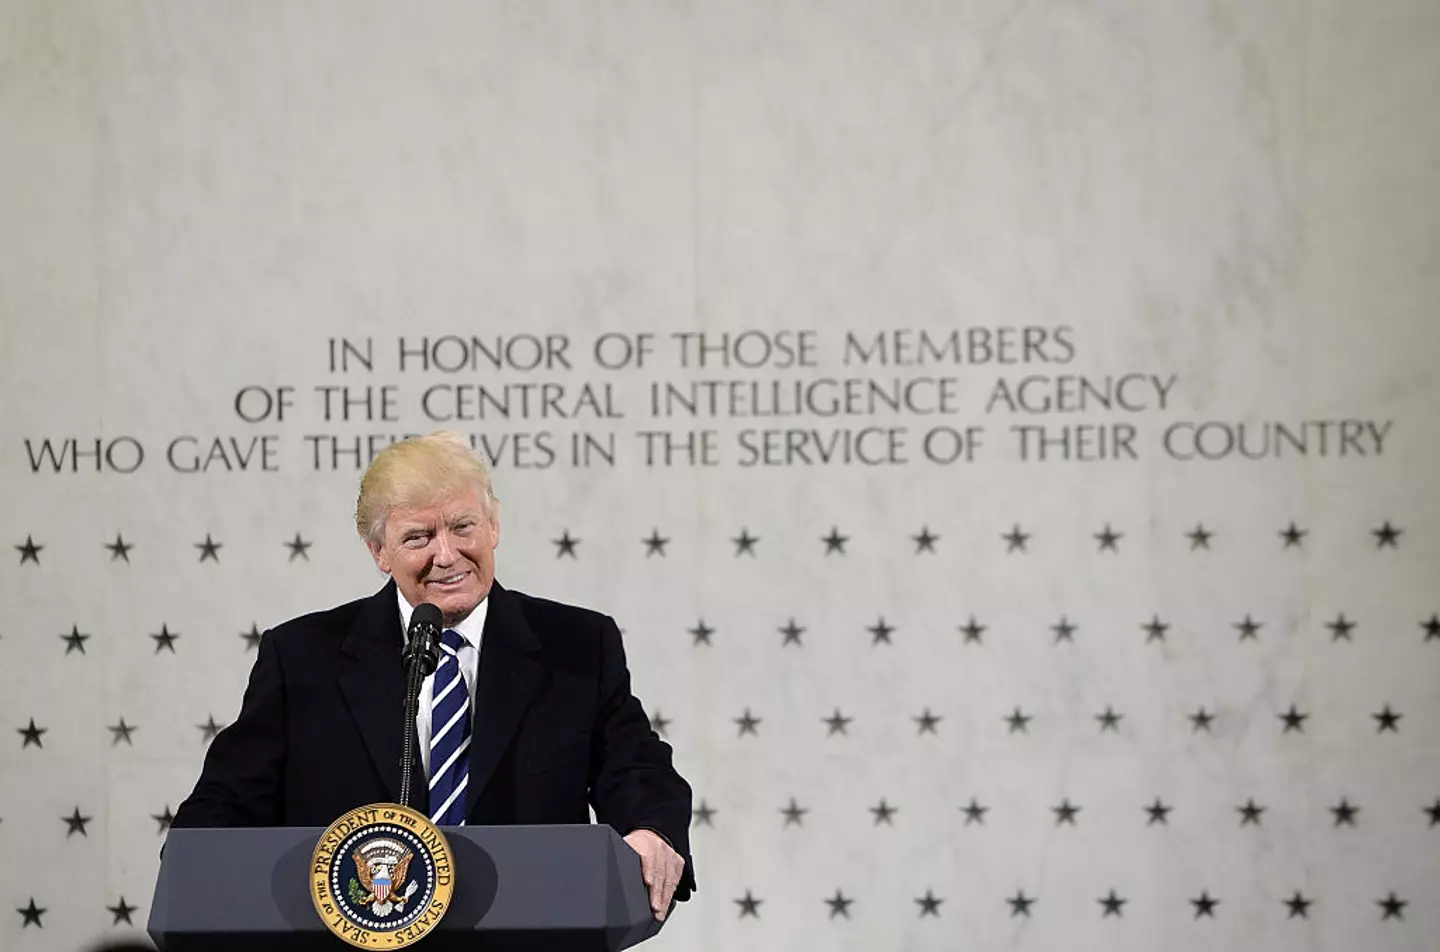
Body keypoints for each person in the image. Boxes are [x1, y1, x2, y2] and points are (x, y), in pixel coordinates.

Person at [172, 431, 694, 918]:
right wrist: (193, 872)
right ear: (379, 552)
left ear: (493, 526)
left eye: (463, 527)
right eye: (419, 536)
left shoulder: (576, 646)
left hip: (534, 929)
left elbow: (635, 767)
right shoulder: (302, 658)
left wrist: (650, 830)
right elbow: (226, 805)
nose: (447, 555)